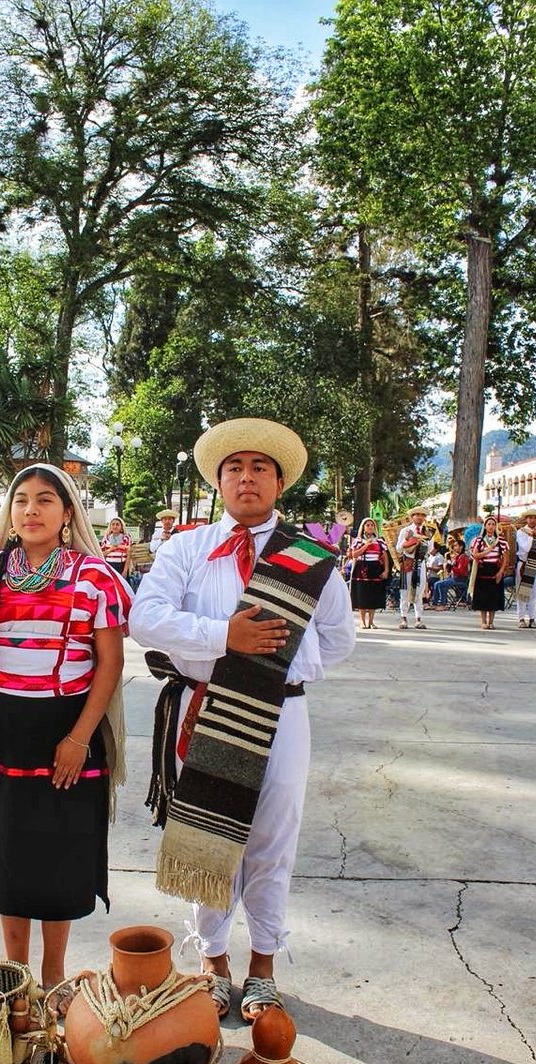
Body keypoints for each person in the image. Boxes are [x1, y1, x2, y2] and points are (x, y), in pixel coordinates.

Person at [129, 418, 355, 1023]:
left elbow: (338, 640)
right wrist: (222, 638)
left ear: (279, 482)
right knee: (207, 837)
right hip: (204, 710)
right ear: (219, 482)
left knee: (273, 840)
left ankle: (263, 966)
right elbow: (145, 618)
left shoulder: (313, 559)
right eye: (234, 468)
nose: (246, 478)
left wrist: (278, 675)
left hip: (282, 713)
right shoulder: (188, 548)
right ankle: (213, 960)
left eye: (259, 468)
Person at [0, 464, 132, 1012]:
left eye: (45, 500)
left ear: (67, 513)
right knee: (7, 849)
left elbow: (109, 665)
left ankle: (54, 975)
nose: (30, 510)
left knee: (58, 852)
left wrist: (78, 738)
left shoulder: (95, 578)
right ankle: (16, 975)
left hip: (66, 731)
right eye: (20, 500)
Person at [348, 517, 390, 629]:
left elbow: (385, 557)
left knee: (373, 594)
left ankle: (371, 621)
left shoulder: (380, 541)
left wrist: (386, 570)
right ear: (363, 527)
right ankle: (362, 621)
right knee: (362, 594)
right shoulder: (358, 541)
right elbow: (354, 555)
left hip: (375, 568)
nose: (370, 527)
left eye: (372, 525)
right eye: (368, 525)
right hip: (362, 567)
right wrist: (366, 545)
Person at [395, 506, 433, 629]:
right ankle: (403, 618)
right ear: (412, 517)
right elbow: (399, 548)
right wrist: (408, 540)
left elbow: (431, 549)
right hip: (408, 563)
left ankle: (418, 618)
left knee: (419, 590)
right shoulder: (406, 530)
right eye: (417, 515)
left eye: (422, 515)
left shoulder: (427, 532)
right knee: (405, 592)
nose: (420, 517)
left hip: (420, 563)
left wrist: (423, 544)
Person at [468, 516, 508, 631]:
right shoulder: (478, 540)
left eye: (493, 524)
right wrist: (488, 550)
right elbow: (475, 555)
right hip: (482, 568)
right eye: (489, 524)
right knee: (482, 596)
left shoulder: (501, 541)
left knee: (493, 596)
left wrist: (500, 572)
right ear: (485, 526)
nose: (491, 526)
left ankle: (491, 622)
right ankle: (483, 622)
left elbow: (505, 558)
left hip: (495, 568)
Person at [515, 507, 536, 629]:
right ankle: (521, 618)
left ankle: (532, 618)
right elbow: (525, 548)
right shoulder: (521, 532)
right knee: (522, 592)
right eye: (530, 518)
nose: (532, 520)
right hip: (525, 564)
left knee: (534, 593)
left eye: (535, 518)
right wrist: (532, 536)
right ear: (526, 519)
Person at [430, 538, 469, 608]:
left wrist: (451, 566)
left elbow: (460, 571)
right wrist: (449, 568)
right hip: (454, 577)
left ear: (461, 546)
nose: (454, 547)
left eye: (456, 546)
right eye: (454, 546)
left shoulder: (463, 557)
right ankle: (434, 604)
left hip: (460, 579)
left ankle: (443, 604)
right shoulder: (458, 557)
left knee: (441, 584)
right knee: (436, 584)